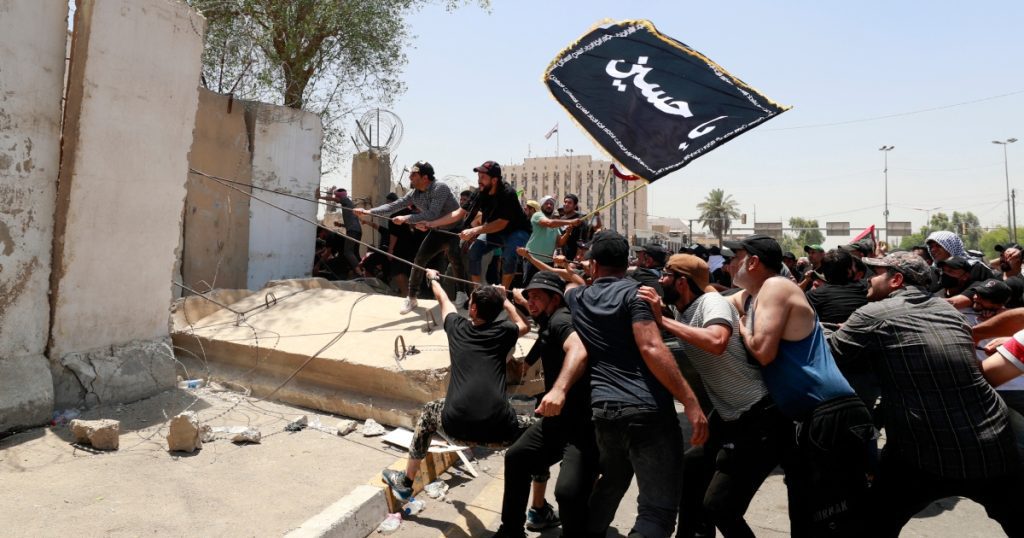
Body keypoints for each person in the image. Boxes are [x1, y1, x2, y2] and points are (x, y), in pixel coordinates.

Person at [827, 252, 1024, 537]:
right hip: (991, 441)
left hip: (923, 449)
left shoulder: (871, 314)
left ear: (896, 280)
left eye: (877, 272)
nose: (869, 278)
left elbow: (831, 356)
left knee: (870, 526)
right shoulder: (949, 312)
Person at [563, 230, 708, 538]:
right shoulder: (638, 294)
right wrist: (691, 402)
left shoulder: (579, 298)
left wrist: (573, 271)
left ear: (593, 264)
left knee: (611, 484)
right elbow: (652, 347)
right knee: (657, 510)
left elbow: (570, 289)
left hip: (604, 412)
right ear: (626, 262)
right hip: (647, 411)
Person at [728, 235, 874, 537]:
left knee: (833, 513)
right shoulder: (759, 294)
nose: (729, 264)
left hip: (830, 412)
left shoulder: (776, 287)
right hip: (812, 416)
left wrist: (742, 327)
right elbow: (719, 297)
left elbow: (763, 351)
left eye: (735, 257)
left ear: (753, 262)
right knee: (808, 508)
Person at [639, 254, 790, 538]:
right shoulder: (683, 308)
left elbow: (717, 341)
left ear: (682, 282)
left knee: (720, 506)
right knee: (692, 470)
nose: (660, 280)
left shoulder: (712, 303)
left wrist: (664, 322)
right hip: (729, 417)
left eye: (665, 275)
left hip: (760, 417)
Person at [381, 268, 534, 499]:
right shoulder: (503, 332)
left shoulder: (456, 328)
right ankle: (539, 505)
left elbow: (443, 299)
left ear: (472, 309)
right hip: (501, 430)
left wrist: (433, 278)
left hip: (455, 427)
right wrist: (505, 300)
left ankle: (406, 480)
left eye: (471, 301)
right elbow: (525, 325)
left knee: (430, 411)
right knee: (540, 430)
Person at [495, 272, 598, 538]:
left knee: (568, 492)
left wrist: (559, 390)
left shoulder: (562, 319)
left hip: (582, 426)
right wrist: (516, 299)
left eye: (538, 297)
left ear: (556, 299)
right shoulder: (549, 320)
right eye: (529, 297)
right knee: (517, 457)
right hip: (556, 422)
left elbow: (579, 349)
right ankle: (511, 531)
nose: (531, 302)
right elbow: (542, 341)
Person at [354, 162, 467, 314]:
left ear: (425, 177)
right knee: (419, 261)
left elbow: (432, 214)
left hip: (454, 229)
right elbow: (394, 206)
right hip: (437, 230)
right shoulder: (414, 194)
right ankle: (412, 297)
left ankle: (462, 294)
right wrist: (368, 211)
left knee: (455, 259)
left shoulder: (440, 188)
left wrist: (406, 218)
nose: (410, 177)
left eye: (413, 175)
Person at [423, 161, 532, 289]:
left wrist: (474, 231)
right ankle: (478, 290)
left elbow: (501, 224)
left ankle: (503, 294)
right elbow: (459, 213)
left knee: (509, 255)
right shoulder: (480, 192)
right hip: (494, 231)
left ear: (494, 180)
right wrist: (432, 223)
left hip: (517, 230)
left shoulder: (508, 193)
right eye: (479, 177)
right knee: (474, 252)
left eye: (483, 177)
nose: (479, 180)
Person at [523, 196, 581, 284]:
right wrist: (571, 221)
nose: (549, 206)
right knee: (529, 285)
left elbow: (560, 242)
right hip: (533, 259)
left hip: (548, 262)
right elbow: (549, 224)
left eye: (551, 204)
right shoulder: (537, 215)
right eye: (546, 203)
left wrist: (568, 232)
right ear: (542, 206)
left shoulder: (554, 223)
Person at [556, 194, 589, 262]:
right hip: (564, 255)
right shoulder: (562, 220)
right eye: (565, 202)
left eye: (569, 203)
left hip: (576, 257)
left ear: (575, 206)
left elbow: (583, 240)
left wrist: (578, 256)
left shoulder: (580, 219)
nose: (566, 204)